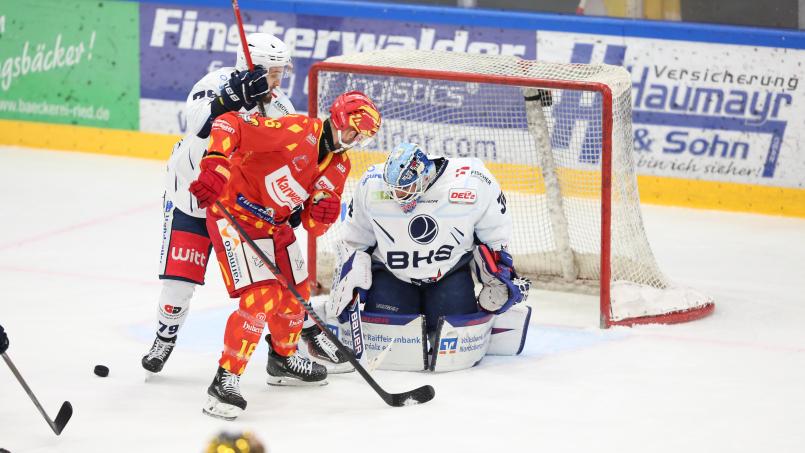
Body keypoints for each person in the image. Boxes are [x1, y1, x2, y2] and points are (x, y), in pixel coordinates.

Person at [142, 33, 344, 376]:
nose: (279, 80)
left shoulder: (280, 105)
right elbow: (200, 125)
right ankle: (165, 337)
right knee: (180, 281)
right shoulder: (215, 83)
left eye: (283, 71)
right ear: (252, 66)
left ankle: (301, 336)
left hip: (240, 210)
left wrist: (296, 202)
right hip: (194, 198)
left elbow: (294, 155)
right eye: (272, 71)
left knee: (283, 272)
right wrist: (229, 100)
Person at [197, 91, 381, 420]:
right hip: (234, 216)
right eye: (355, 131)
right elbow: (229, 123)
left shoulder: (340, 164)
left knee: (297, 295)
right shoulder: (296, 132)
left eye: (362, 137)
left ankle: (282, 360)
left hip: (275, 225)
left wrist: (323, 214)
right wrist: (215, 163)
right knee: (261, 297)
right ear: (339, 119)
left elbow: (312, 226)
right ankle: (225, 379)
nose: (355, 140)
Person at [326, 142, 531, 372]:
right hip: (392, 275)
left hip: (448, 274)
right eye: (393, 189)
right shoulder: (370, 184)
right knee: (390, 346)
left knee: (454, 348)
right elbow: (356, 241)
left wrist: (499, 275)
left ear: (424, 176)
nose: (398, 195)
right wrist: (347, 281)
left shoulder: (473, 181)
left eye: (406, 188)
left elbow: (494, 239)